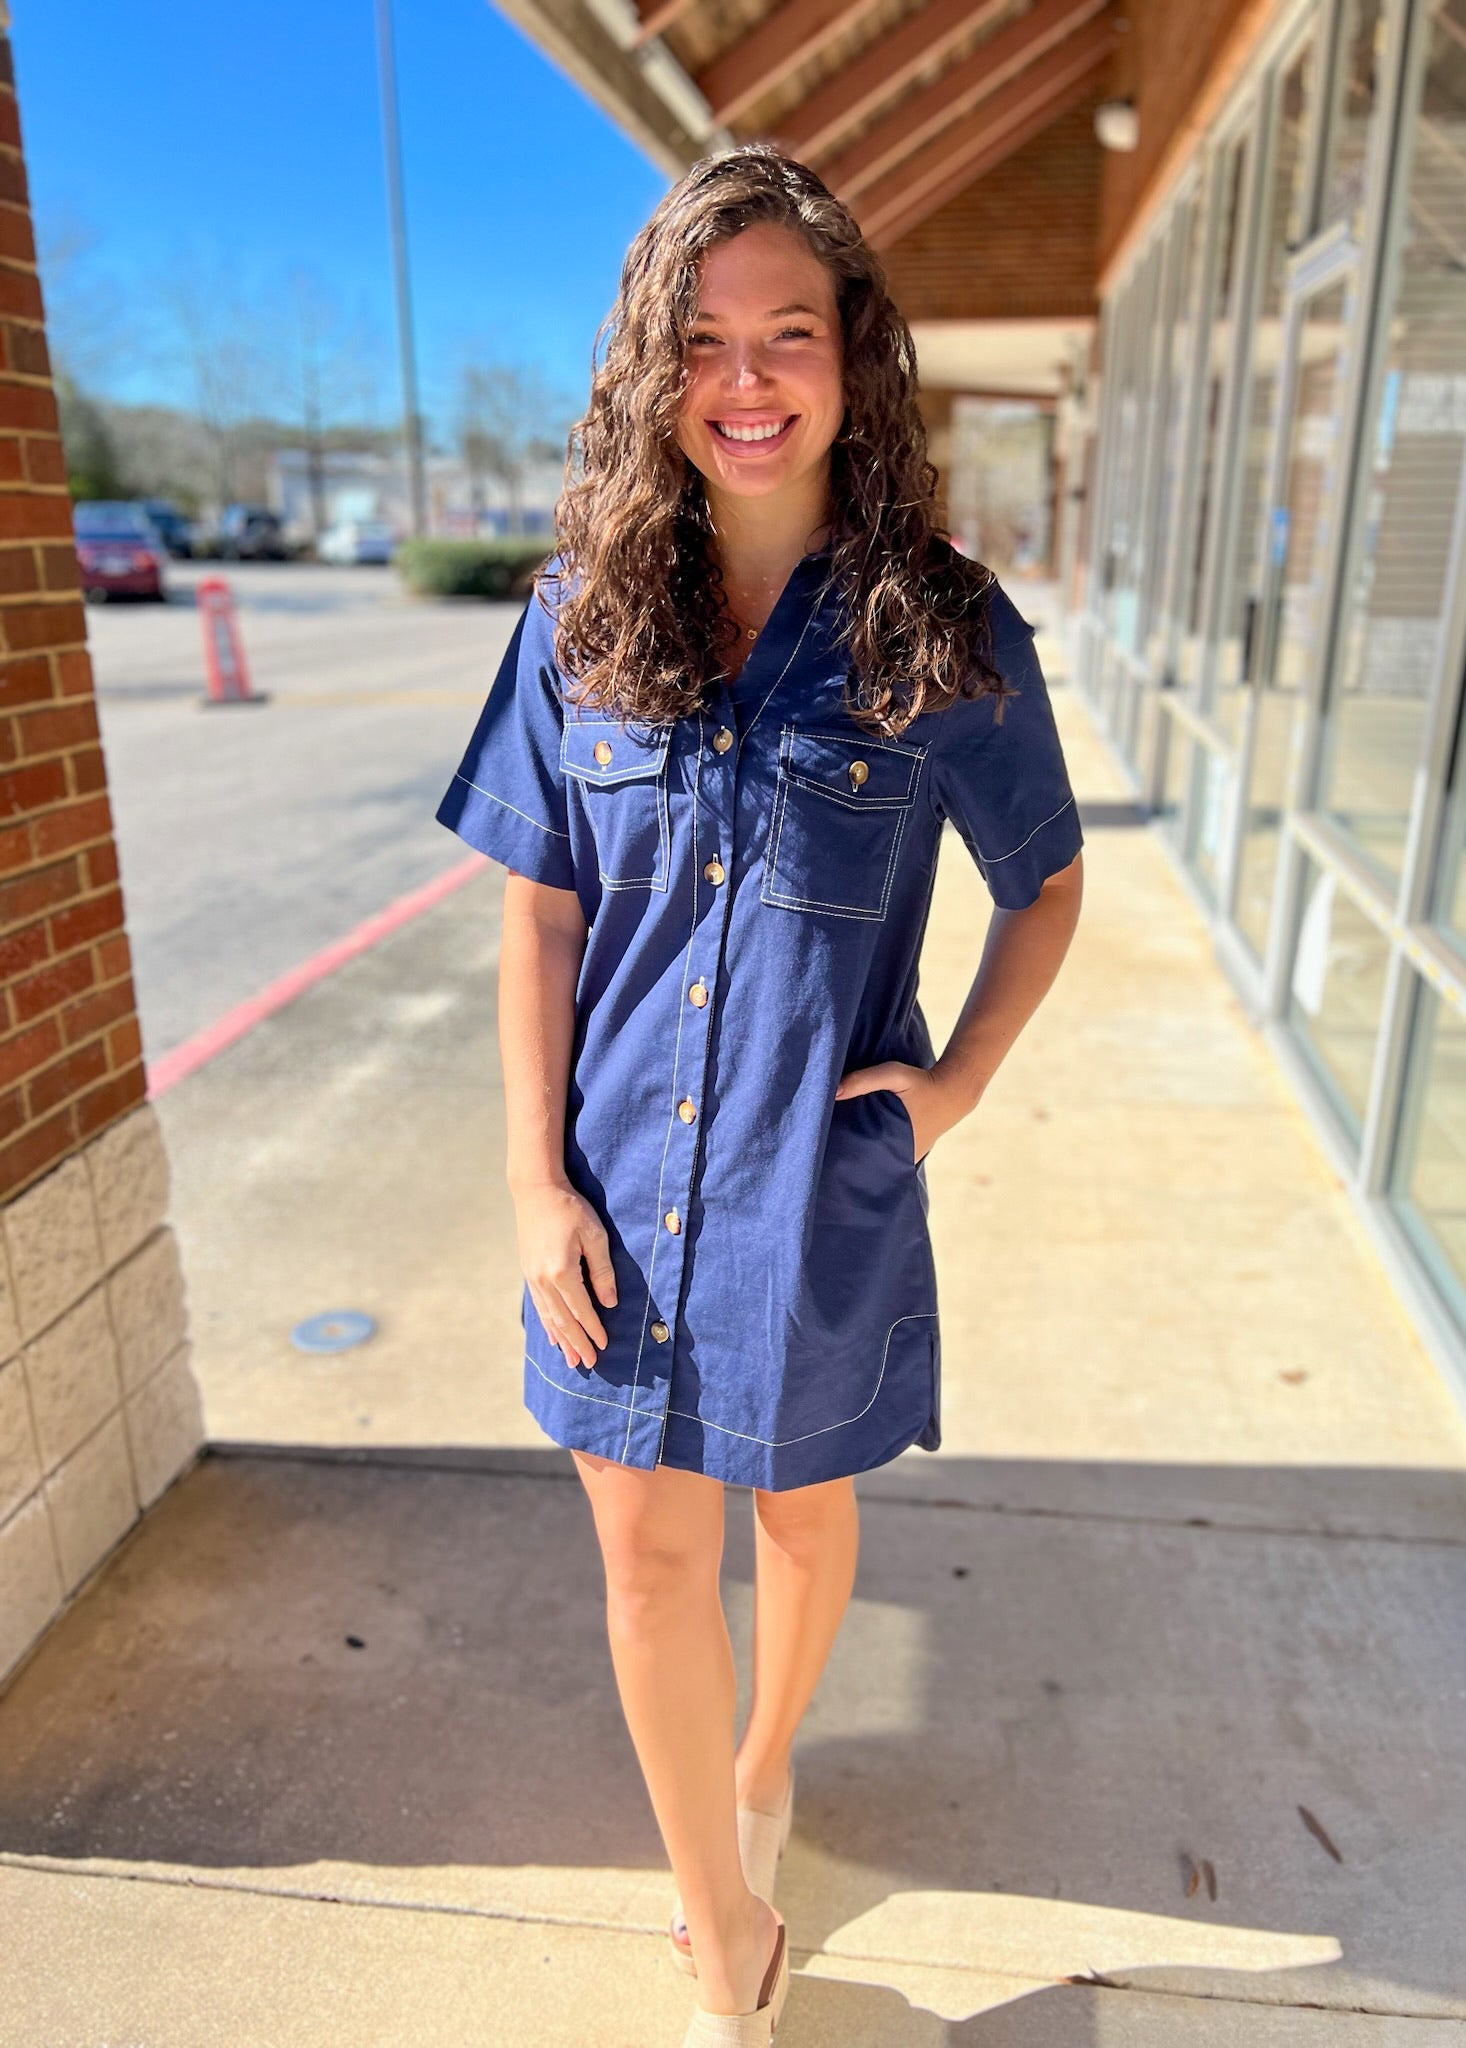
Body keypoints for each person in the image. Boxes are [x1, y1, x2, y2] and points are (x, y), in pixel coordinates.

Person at [435, 143, 1084, 2046]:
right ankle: (725, 1930)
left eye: (785, 334)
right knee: (645, 1553)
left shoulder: (939, 625)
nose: (746, 380)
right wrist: (531, 1188)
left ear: (848, 356)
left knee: (795, 1516)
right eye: (703, 341)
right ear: (655, 369)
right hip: (613, 1192)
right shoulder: (577, 616)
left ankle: (767, 1755)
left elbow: (1041, 881)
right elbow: (540, 916)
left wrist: (951, 1084)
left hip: (817, 1185)